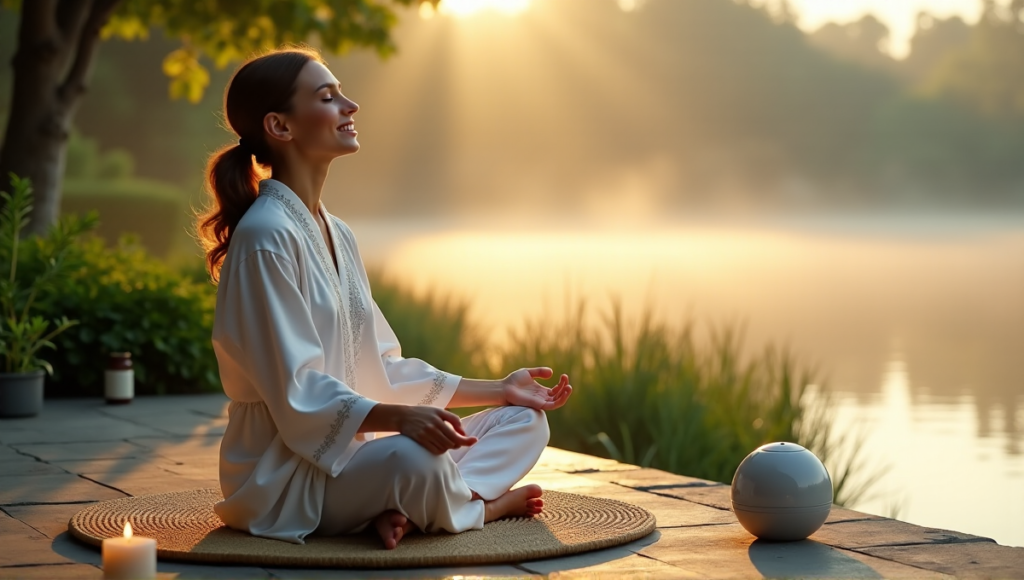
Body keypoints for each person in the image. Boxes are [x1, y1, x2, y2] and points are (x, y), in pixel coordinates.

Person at [194, 46, 574, 551]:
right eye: (329, 97)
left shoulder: (338, 233)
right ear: (280, 127)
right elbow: (297, 392)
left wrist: (501, 390)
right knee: (415, 458)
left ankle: (408, 512)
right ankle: (482, 506)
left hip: (359, 457)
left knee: (524, 421)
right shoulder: (266, 239)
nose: (351, 106)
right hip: (284, 477)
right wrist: (400, 421)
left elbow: (383, 369)